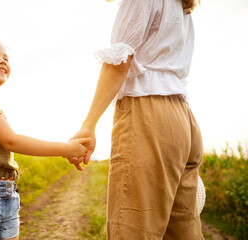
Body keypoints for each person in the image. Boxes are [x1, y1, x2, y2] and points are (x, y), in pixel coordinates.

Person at [68, 0, 204, 239]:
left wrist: (88, 125)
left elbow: (118, 64)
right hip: (183, 118)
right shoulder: (181, 4)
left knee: (133, 229)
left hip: (149, 113)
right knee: (184, 230)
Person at [0, 35, 90, 240]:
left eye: (6, 58)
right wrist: (66, 149)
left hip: (5, 192)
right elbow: (11, 141)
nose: (3, 61)